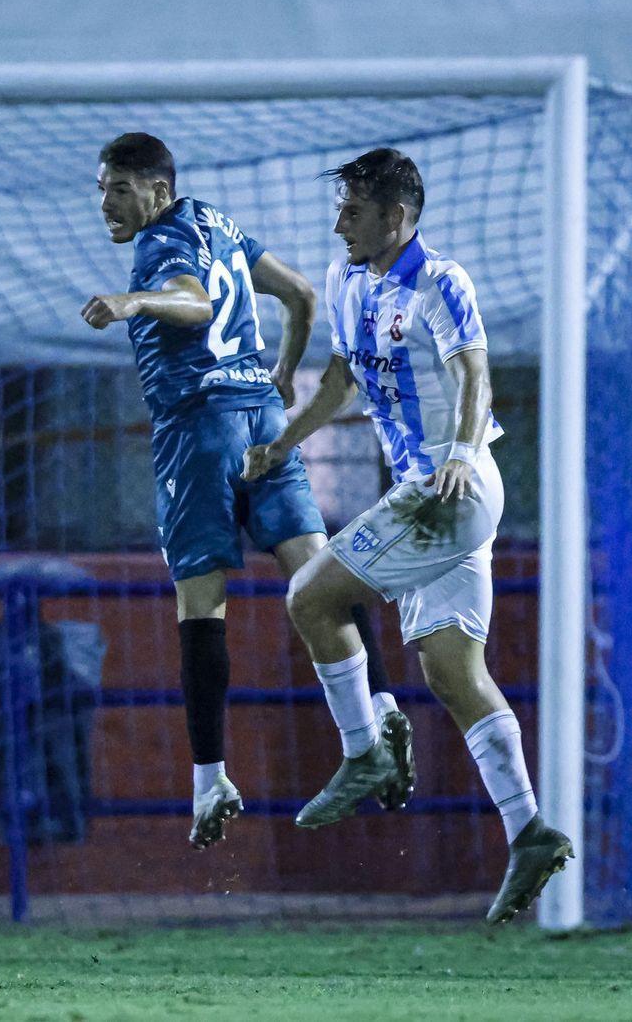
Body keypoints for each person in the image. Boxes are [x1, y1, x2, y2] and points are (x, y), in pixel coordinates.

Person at [242, 148, 574, 922]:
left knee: (309, 597)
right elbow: (340, 381)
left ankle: (366, 748)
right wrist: (283, 446)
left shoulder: (441, 281)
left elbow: (472, 372)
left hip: (448, 490)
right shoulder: (346, 280)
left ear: (396, 218)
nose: (338, 223)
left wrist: (458, 451)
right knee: (454, 672)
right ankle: (529, 831)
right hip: (434, 496)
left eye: (353, 211)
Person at [80, 133, 412, 852]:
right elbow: (300, 293)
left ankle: (209, 780)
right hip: (261, 420)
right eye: (102, 187)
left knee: (201, 606)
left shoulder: (160, 242)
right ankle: (377, 714)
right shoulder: (218, 223)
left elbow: (193, 305)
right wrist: (284, 372)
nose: (106, 202)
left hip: (198, 431)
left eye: (119, 189)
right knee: (321, 578)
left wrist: (131, 301)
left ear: (158, 192)